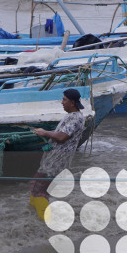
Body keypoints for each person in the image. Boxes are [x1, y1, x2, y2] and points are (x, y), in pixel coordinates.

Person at [28, 89, 88, 219]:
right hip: (53, 159)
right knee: (35, 185)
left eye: (64, 100)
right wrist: (43, 131)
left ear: (72, 103)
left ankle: (45, 221)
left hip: (58, 160)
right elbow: (60, 132)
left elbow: (62, 137)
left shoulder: (76, 118)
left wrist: (45, 133)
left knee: (40, 189)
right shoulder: (71, 115)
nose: (62, 102)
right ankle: (34, 216)